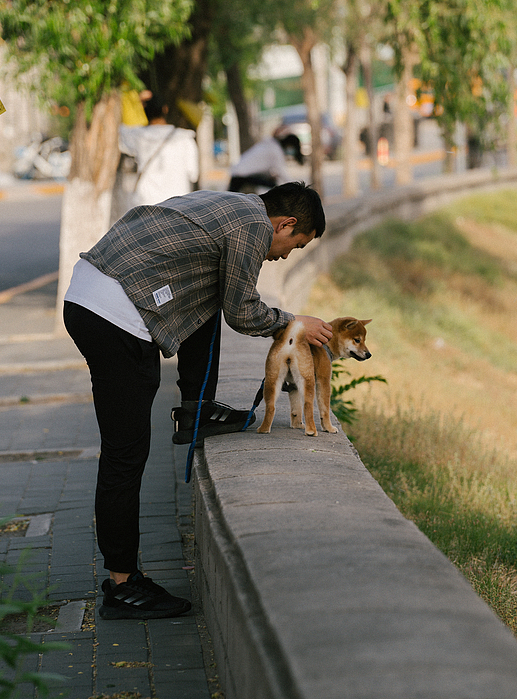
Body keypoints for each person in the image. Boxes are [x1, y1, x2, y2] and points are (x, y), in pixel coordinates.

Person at [62, 182, 333, 620]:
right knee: (124, 454)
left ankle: (197, 410)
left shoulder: (226, 203)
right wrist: (292, 322)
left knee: (211, 289)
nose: (284, 256)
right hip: (114, 315)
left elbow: (222, 301)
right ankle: (122, 585)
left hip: (94, 294)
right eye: (294, 244)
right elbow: (243, 311)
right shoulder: (251, 226)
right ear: (285, 223)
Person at [117, 95, 199, 208]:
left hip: (147, 204)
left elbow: (117, 131)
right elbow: (193, 174)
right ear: (165, 109)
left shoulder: (137, 136)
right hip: (177, 206)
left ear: (144, 110)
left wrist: (135, 101)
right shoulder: (185, 139)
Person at [227, 130, 303, 193]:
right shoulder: (276, 151)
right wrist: (295, 187)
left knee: (231, 196)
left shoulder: (270, 145)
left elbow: (262, 165)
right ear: (289, 145)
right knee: (275, 186)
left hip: (239, 172)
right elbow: (282, 172)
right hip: (242, 174)